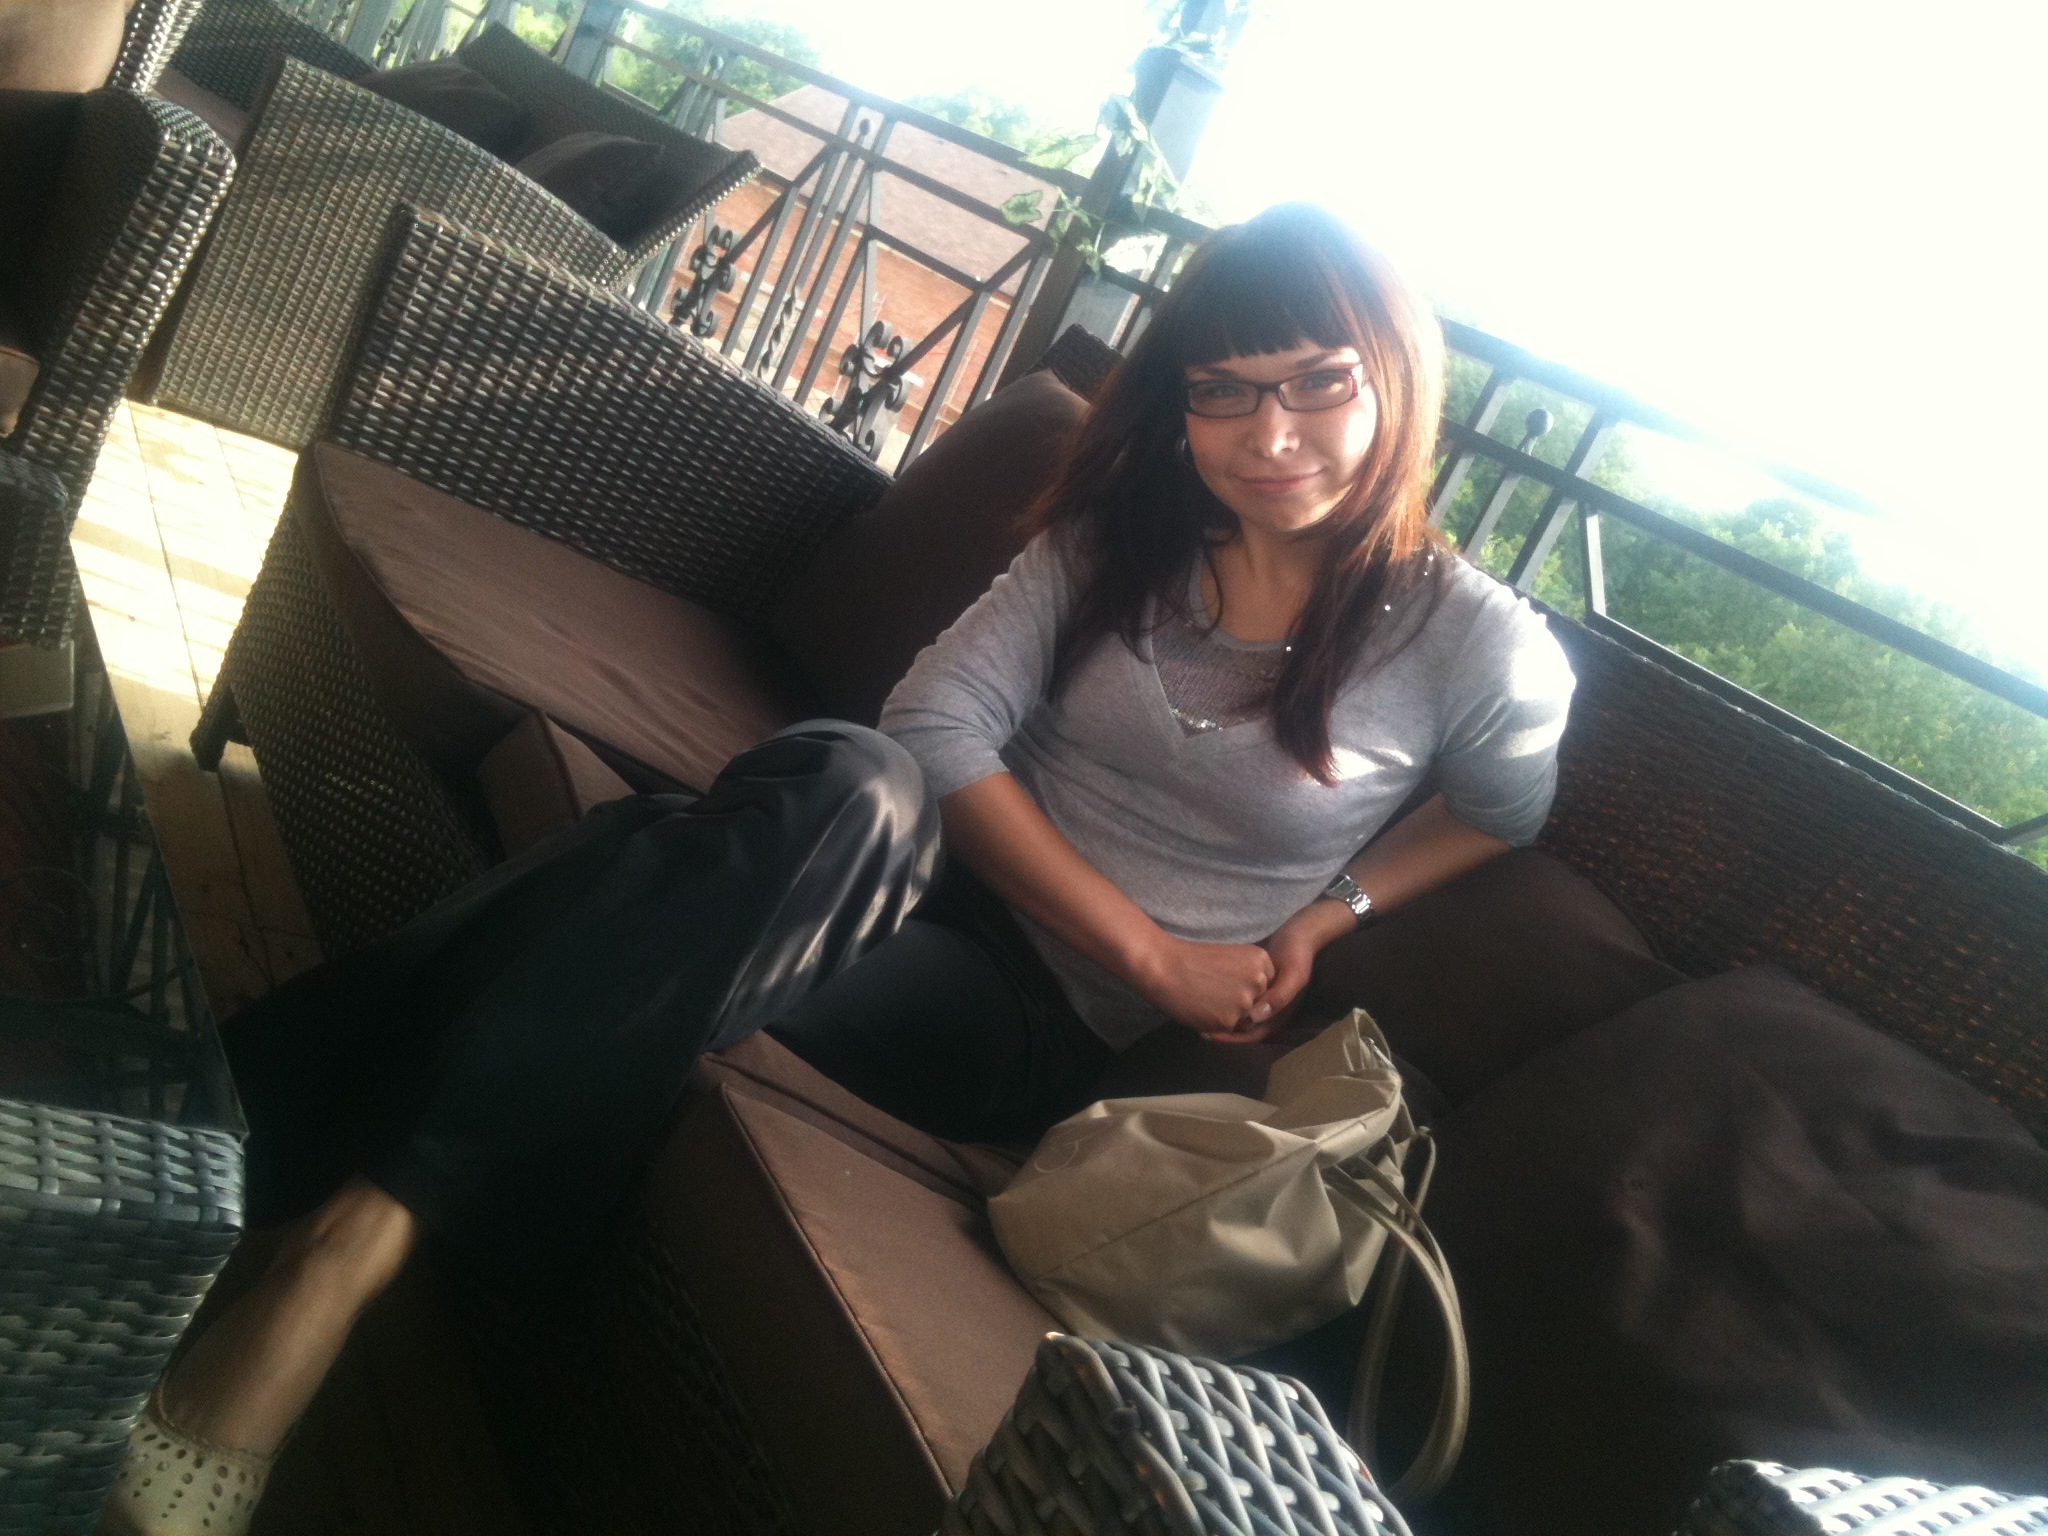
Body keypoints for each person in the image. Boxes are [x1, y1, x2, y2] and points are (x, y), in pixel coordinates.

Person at [100, 201, 1573, 1536]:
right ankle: (342, 1241)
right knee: (854, 778)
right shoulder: (1115, 542)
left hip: (1017, 1016)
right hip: (896, 867)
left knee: (644, 865)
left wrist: (1329, 914)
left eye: (1319, 381)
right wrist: (1151, 949)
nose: (1272, 432)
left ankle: (225, 1163)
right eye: (1226, 389)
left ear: (1395, 380)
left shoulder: (1474, 644)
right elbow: (933, 724)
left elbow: (1502, 811)